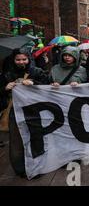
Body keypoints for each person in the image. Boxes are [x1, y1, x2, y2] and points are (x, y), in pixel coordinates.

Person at [0, 48, 49, 178]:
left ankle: (38, 165)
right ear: (13, 60)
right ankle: (20, 169)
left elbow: (48, 85)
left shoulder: (36, 71)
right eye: (18, 59)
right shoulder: (6, 74)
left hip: (34, 110)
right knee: (16, 140)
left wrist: (34, 83)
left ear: (29, 59)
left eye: (24, 59)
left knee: (36, 137)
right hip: (14, 112)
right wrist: (5, 88)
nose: (21, 62)